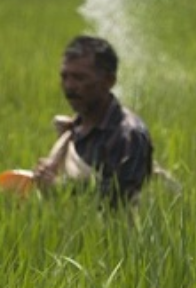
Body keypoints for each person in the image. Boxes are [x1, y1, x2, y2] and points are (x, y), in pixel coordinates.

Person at [30, 35, 154, 206]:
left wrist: (60, 187)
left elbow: (122, 196)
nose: (69, 86)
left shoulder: (128, 134)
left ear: (108, 81)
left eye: (79, 78)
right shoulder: (73, 129)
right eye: (64, 77)